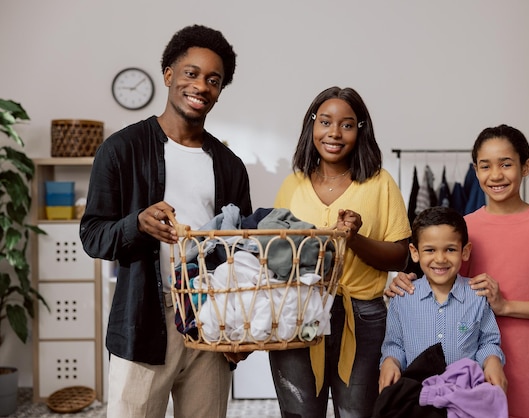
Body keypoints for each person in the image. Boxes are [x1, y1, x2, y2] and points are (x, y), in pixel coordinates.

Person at [79, 25, 252, 418]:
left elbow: (242, 252)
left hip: (210, 319)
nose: (201, 86)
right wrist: (136, 224)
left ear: (220, 90)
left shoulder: (229, 166)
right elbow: (92, 235)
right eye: (191, 73)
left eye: (214, 80)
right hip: (143, 318)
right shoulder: (120, 149)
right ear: (169, 74)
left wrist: (240, 329)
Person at [386, 124, 529, 417]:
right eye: (485, 166)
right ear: (475, 170)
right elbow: (444, 281)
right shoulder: (466, 228)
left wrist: (506, 305)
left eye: (506, 164)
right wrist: (406, 281)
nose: (495, 175)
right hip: (466, 357)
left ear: (526, 166)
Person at [268, 86, 411, 418]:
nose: (334, 133)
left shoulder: (380, 183)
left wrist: (355, 239)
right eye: (325, 122)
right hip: (298, 313)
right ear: (312, 126)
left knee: (357, 414)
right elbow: (273, 255)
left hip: (363, 317)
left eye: (347, 124)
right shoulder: (293, 184)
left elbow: (400, 255)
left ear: (360, 130)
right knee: (299, 413)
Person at [379, 206, 507, 394]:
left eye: (450, 249)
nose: (440, 259)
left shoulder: (477, 296)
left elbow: (487, 341)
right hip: (417, 397)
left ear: (465, 251)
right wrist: (390, 361)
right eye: (430, 250)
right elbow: (394, 344)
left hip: (465, 395)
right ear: (415, 252)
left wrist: (492, 361)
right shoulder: (402, 297)